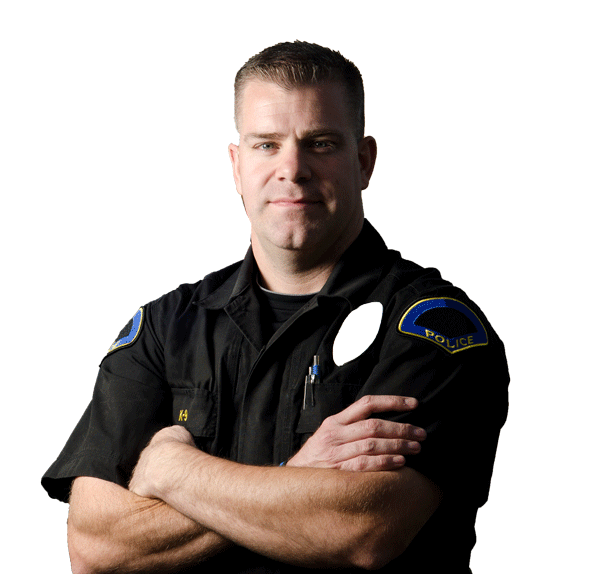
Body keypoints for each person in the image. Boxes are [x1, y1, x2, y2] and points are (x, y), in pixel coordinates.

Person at [42, 41, 509, 573]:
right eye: (266, 145)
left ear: (363, 161)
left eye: (321, 143)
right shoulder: (164, 330)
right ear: (236, 165)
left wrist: (172, 471)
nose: (293, 168)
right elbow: (96, 549)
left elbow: (361, 529)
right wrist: (298, 472)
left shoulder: (433, 327)